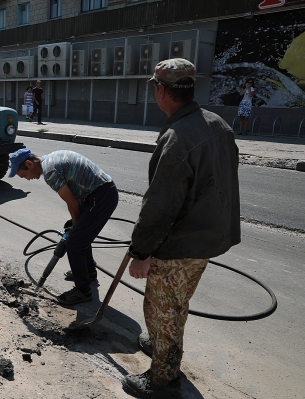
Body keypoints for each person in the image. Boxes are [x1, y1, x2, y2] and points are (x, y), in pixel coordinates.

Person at [123, 58, 241, 399]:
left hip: (181, 243)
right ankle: (162, 344)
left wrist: (141, 252)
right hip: (210, 235)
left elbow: (160, 205)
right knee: (177, 301)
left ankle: (163, 380)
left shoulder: (177, 138)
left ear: (161, 90)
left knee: (161, 309)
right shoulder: (217, 123)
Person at [8, 148, 119, 305]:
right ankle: (88, 272)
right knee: (78, 234)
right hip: (99, 193)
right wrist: (75, 225)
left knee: (75, 243)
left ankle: (83, 291)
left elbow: (73, 204)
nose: (26, 179)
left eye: (24, 175)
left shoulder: (50, 173)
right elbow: (75, 198)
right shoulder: (50, 158)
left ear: (29, 163)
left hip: (101, 197)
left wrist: (76, 227)